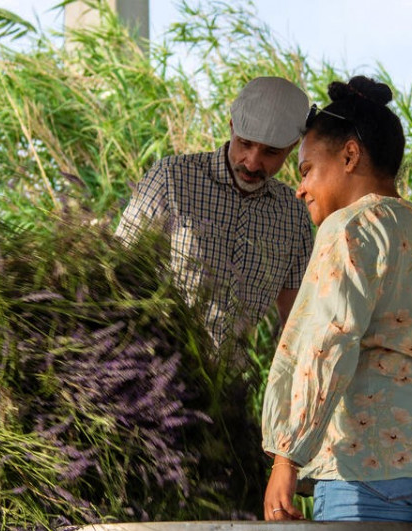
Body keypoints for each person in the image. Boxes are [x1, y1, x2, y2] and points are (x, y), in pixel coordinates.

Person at [261, 76, 412, 523]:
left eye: (306, 170)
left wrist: (286, 456)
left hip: (371, 463)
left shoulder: (351, 227)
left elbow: (325, 340)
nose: (300, 189)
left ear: (349, 155)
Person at [115, 76, 314, 347]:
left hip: (232, 380)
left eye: (271, 152)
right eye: (245, 143)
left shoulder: (294, 215)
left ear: (292, 148)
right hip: (153, 365)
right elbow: (117, 270)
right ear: (232, 127)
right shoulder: (171, 179)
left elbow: (296, 318)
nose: (253, 163)